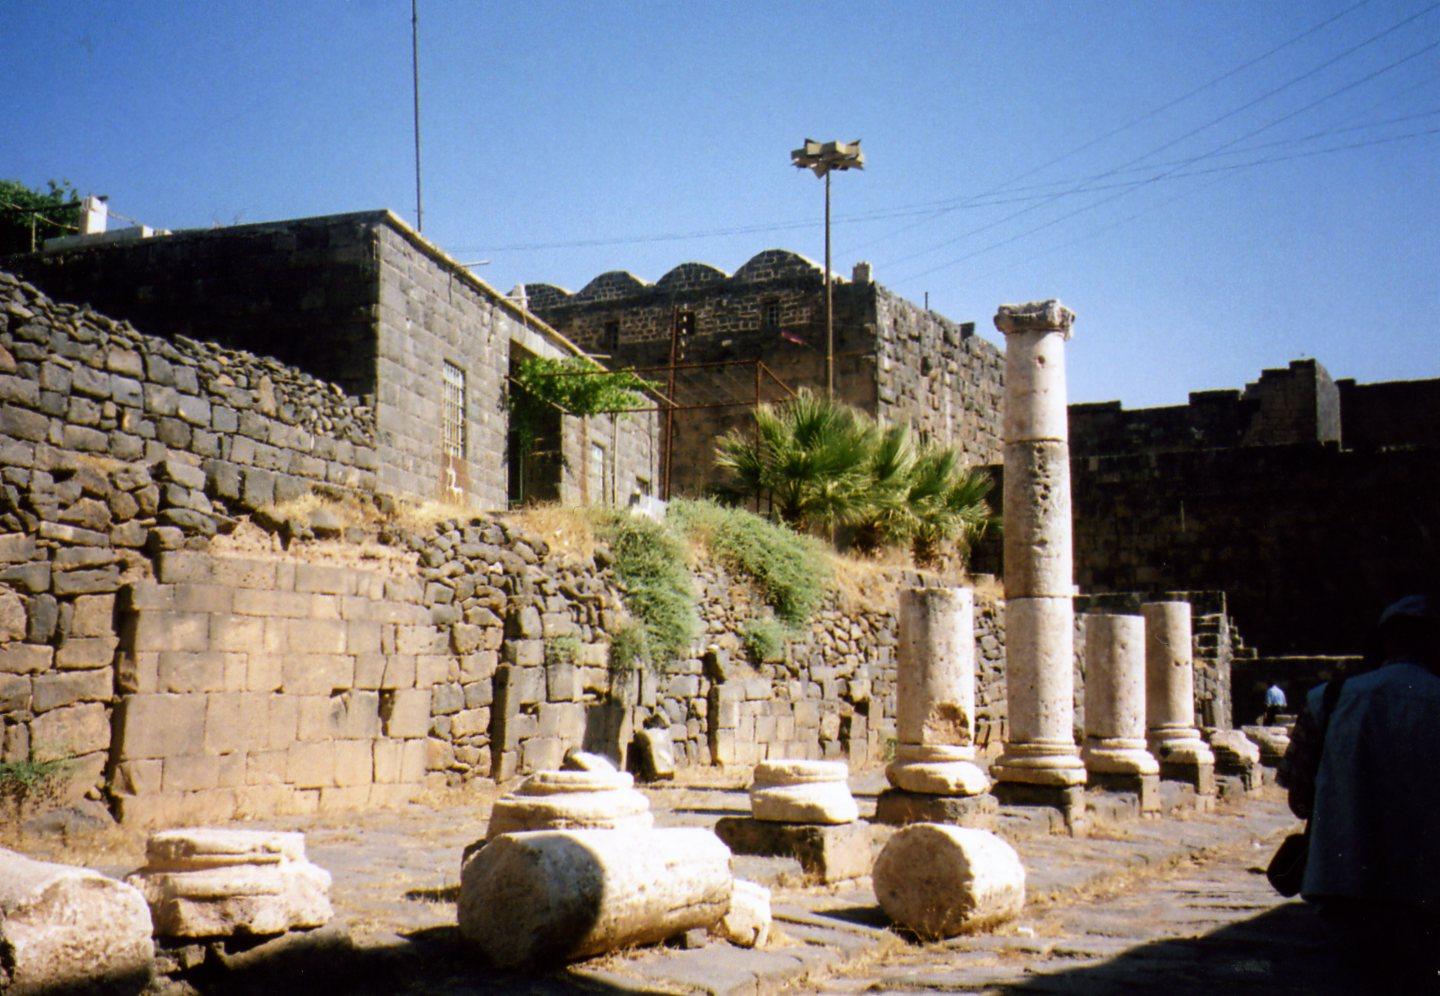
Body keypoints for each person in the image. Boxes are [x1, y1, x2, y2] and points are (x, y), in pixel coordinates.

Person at [1279, 594, 1440, 990]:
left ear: (1384, 640)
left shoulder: (1328, 699)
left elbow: (1299, 798)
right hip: (1426, 886)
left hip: (1342, 880)